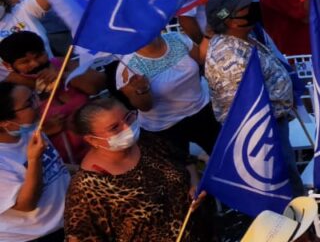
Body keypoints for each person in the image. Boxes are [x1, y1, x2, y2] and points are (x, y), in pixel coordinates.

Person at [65, 96, 212, 242]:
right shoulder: (85, 189)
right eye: (114, 128)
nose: (127, 128)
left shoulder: (146, 141)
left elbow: (185, 160)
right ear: (92, 140)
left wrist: (194, 184)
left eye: (128, 117)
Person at [110, 30, 219, 155]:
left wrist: (208, 35)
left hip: (201, 109)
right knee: (182, 169)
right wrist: (142, 89)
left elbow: (200, 59)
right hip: (166, 126)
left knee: (220, 153)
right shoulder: (128, 67)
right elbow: (145, 107)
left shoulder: (177, 38)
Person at [203, 0, 294, 123]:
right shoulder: (231, 60)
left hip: (275, 116)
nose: (250, 8)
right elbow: (245, 109)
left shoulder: (243, 36)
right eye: (243, 8)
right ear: (231, 22)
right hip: (265, 127)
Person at [0, 80, 70, 242]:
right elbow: (25, 205)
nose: (38, 105)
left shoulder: (31, 131)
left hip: (69, 220)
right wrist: (34, 159)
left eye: (34, 97)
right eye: (29, 103)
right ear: (4, 122)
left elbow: (55, 167)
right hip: (37, 236)